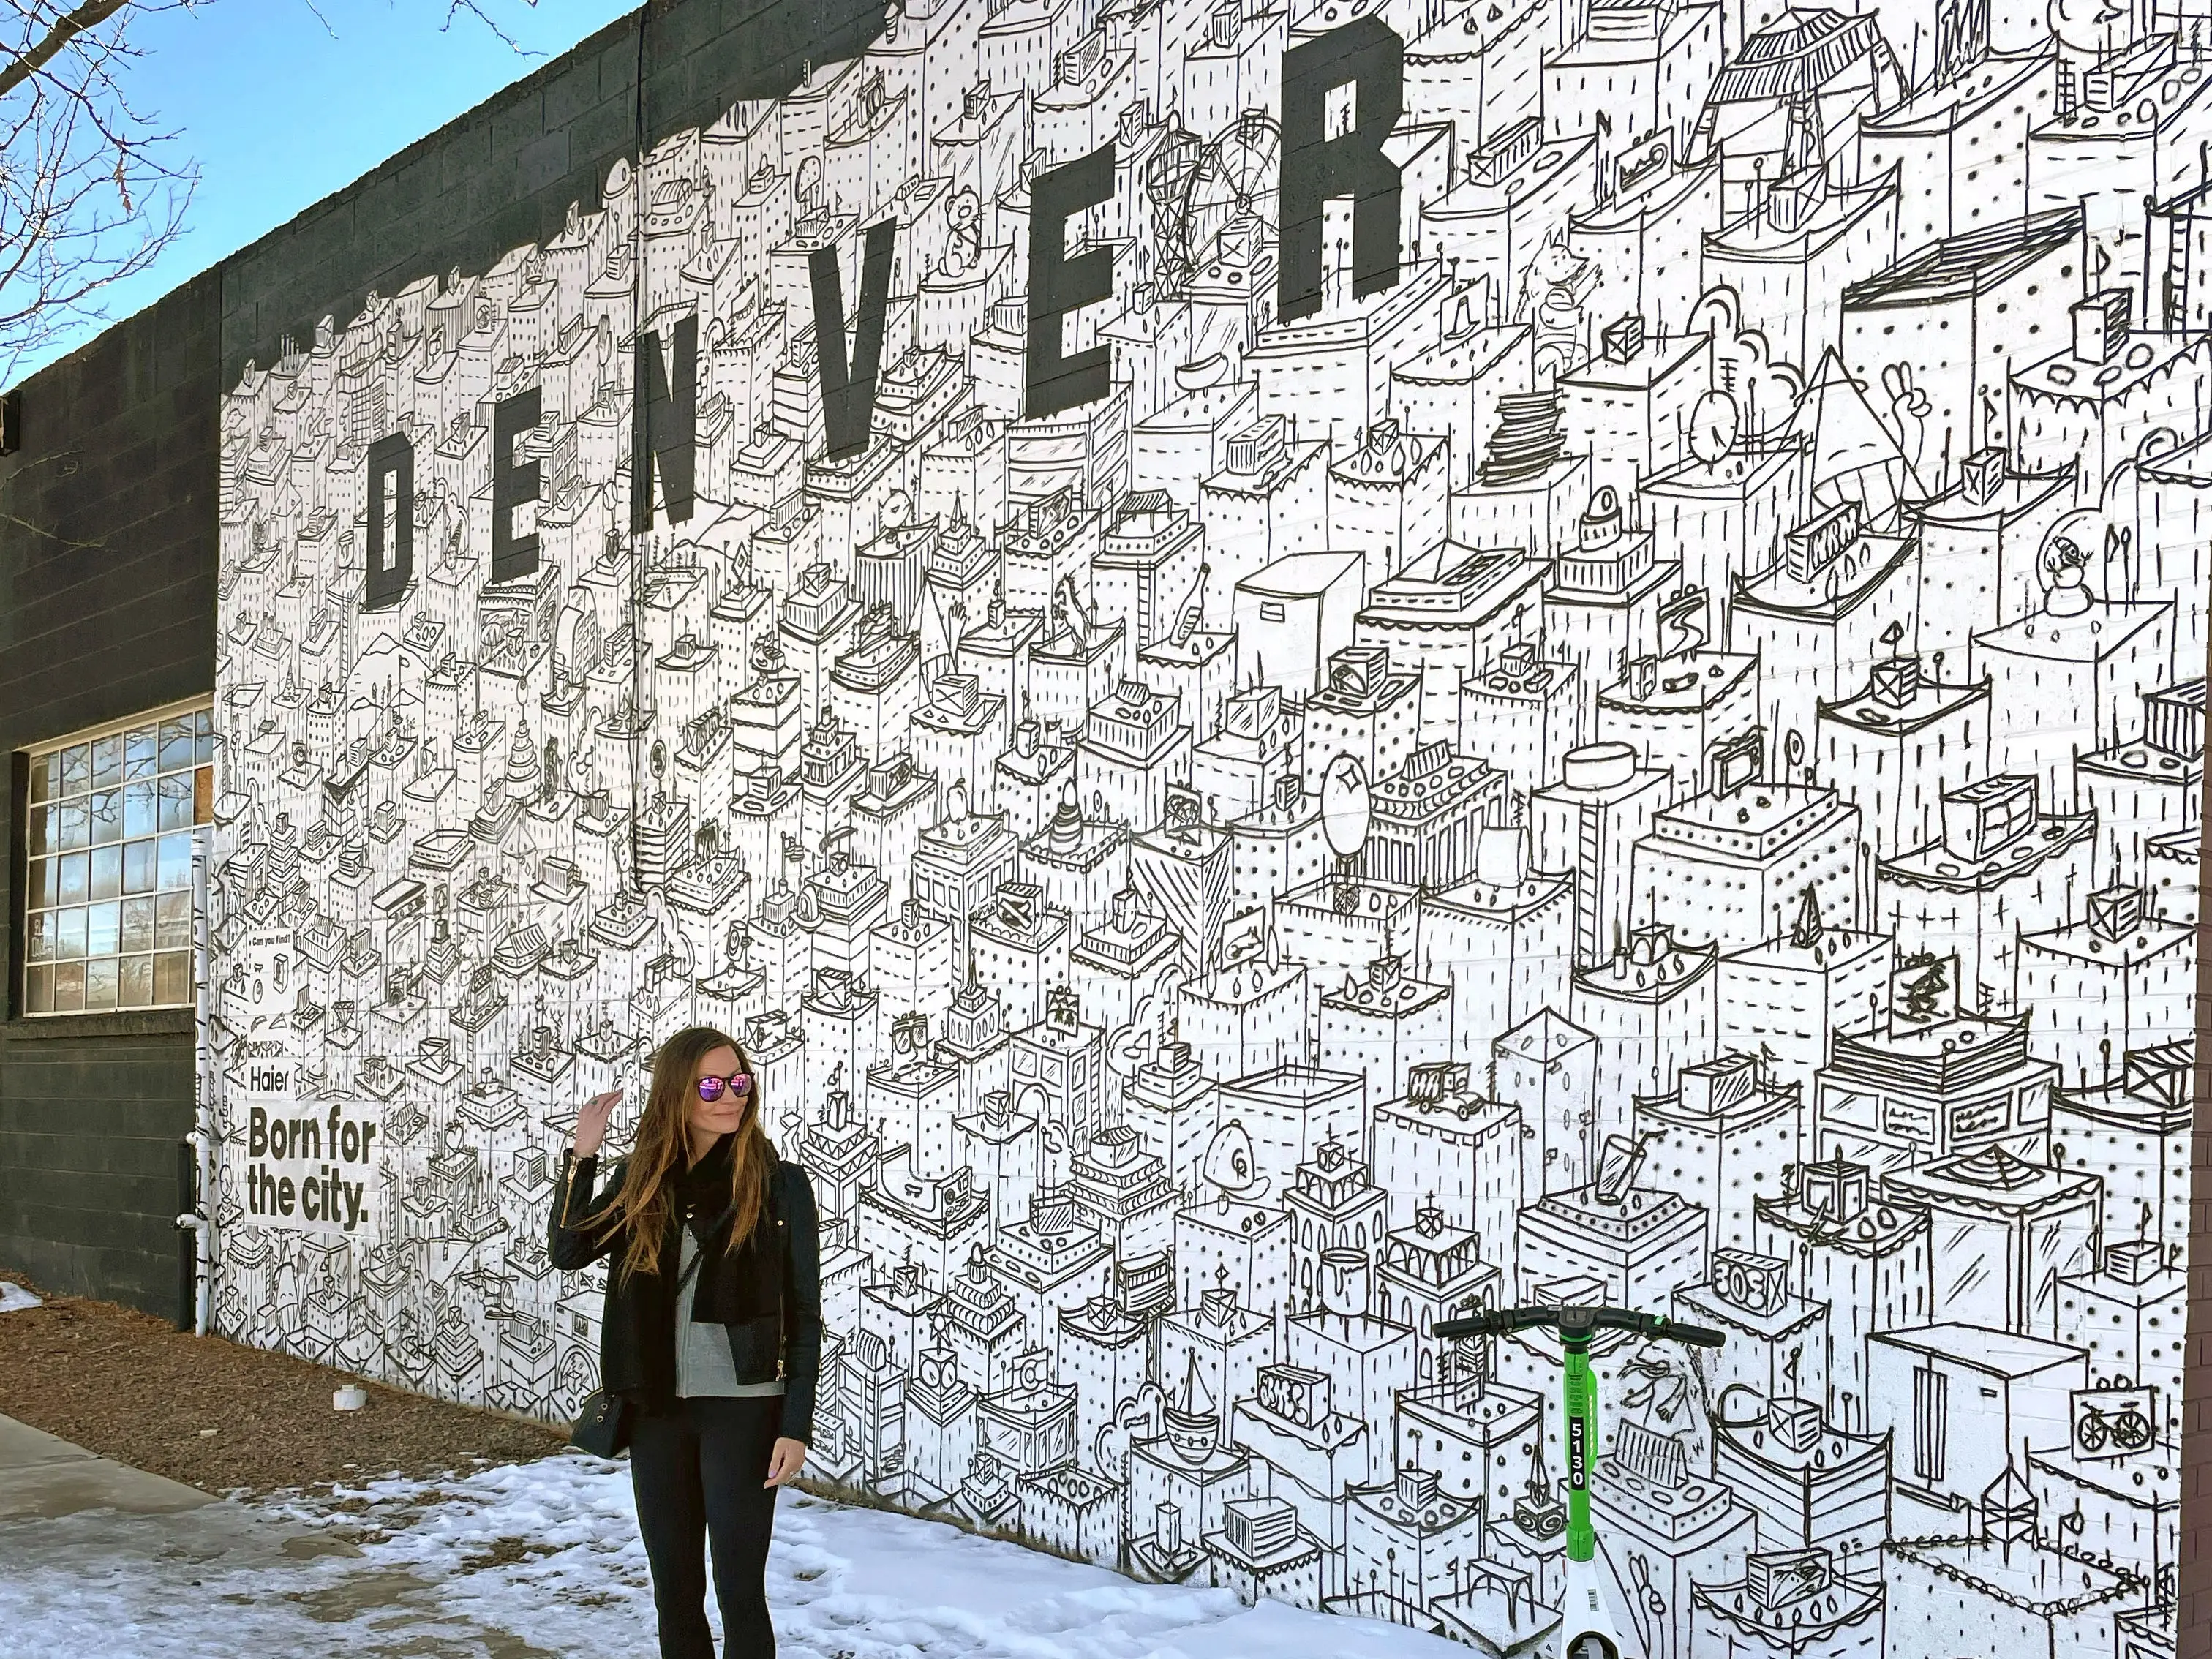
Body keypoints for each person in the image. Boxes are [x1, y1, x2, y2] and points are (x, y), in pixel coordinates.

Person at [549, 1025, 823, 1659]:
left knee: (739, 1592)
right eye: (711, 1084)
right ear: (677, 1094)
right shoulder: (641, 1180)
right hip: (658, 1409)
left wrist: (795, 1424)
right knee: (673, 1591)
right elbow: (568, 1250)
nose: (730, 1096)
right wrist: (582, 1159)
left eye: (738, 1081)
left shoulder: (779, 1185)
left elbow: (803, 1315)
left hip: (745, 1410)